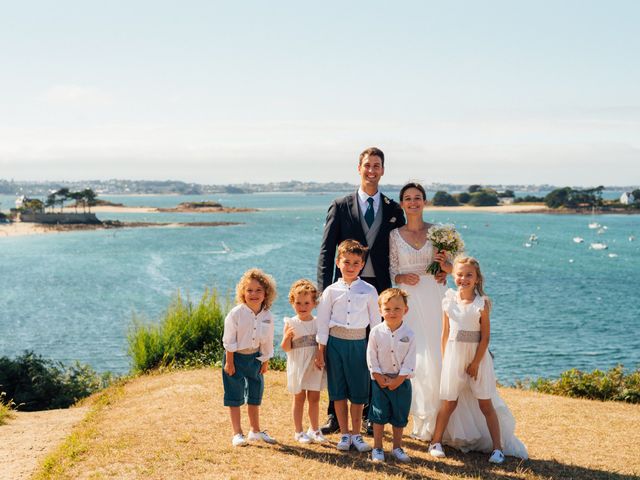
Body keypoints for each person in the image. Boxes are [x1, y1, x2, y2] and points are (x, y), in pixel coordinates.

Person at [317, 146, 405, 435]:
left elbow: (401, 247)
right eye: (367, 165)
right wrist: (323, 289)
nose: (372, 170)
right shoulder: (340, 205)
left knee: (374, 349)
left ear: (383, 170)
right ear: (359, 168)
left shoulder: (393, 209)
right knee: (339, 349)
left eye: (377, 165)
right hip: (343, 288)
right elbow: (328, 250)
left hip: (378, 290)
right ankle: (334, 414)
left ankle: (370, 414)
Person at [428, 256, 528, 462]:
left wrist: (475, 363)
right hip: (454, 355)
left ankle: (497, 448)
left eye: (469, 275)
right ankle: (435, 442)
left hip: (477, 357)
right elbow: (445, 334)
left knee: (485, 403)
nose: (463, 279)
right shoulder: (448, 300)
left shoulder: (481, 303)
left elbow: (485, 337)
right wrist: (446, 359)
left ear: (477, 279)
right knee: (449, 402)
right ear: (453, 276)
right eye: (460, 274)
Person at [389, 182, 451, 440]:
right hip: (409, 301)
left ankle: (440, 421)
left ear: (424, 202)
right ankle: (418, 420)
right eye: (407, 198)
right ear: (402, 204)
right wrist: (402, 276)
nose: (413, 202)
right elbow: (391, 270)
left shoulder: (438, 232)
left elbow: (451, 268)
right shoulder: (394, 235)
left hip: (434, 295)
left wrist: (444, 266)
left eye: (417, 198)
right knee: (415, 355)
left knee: (438, 353)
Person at [315, 239, 380, 453]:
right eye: (346, 262)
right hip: (335, 345)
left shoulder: (370, 290)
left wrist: (375, 352)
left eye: (355, 263)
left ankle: (356, 434)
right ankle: (344, 433)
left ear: (362, 265)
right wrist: (320, 351)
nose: (350, 267)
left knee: (359, 392)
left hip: (359, 344)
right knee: (339, 391)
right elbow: (323, 324)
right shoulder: (330, 291)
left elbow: (376, 324)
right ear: (337, 262)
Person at [222, 268, 278, 447]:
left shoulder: (267, 316)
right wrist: (229, 362)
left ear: (266, 293)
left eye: (258, 290)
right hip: (235, 358)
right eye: (249, 290)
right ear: (243, 293)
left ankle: (255, 431)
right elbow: (229, 339)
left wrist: (265, 359)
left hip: (255, 358)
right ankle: (237, 433)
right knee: (234, 395)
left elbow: (267, 340)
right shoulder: (236, 314)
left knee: (255, 394)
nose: (254, 294)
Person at [366, 288, 416, 463]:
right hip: (380, 381)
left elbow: (410, 360)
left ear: (405, 310)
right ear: (380, 311)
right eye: (387, 309)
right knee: (378, 415)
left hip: (401, 382)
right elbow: (371, 355)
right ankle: (377, 447)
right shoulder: (376, 332)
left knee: (399, 416)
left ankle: (397, 447)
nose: (392, 313)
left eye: (397, 309)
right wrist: (378, 375)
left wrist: (399, 379)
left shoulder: (409, 334)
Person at [280, 279, 327, 444]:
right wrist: (286, 337)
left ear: (314, 303)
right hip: (298, 365)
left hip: (314, 365)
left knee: (314, 398)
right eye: (298, 303)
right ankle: (298, 431)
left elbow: (322, 343)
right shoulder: (291, 323)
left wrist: (322, 357)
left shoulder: (318, 323)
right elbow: (286, 348)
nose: (302, 306)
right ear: (293, 303)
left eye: (307, 303)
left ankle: (314, 429)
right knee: (299, 398)